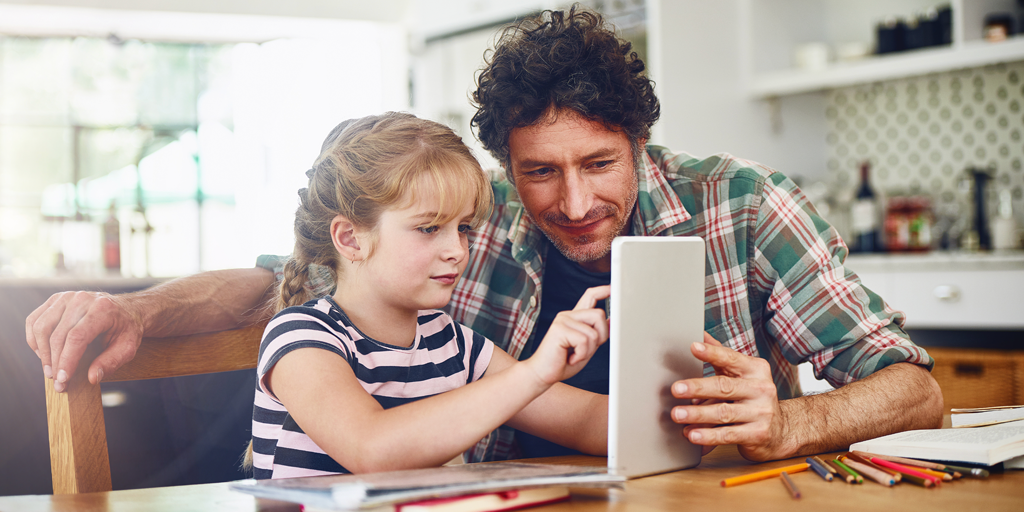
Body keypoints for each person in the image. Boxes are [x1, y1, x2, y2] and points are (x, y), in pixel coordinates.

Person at [26, 5, 943, 464]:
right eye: (540, 171)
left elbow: (916, 388)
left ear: (640, 143)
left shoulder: (742, 205)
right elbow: (281, 286)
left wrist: (784, 419)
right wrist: (142, 310)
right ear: (507, 163)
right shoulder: (460, 229)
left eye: (600, 164)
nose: (574, 202)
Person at [248, 112, 608, 478]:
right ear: (350, 239)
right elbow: (372, 448)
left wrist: (667, 412)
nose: (457, 249)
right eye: (428, 227)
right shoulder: (301, 336)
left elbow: (586, 420)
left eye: (464, 228)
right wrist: (533, 374)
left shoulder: (452, 343)